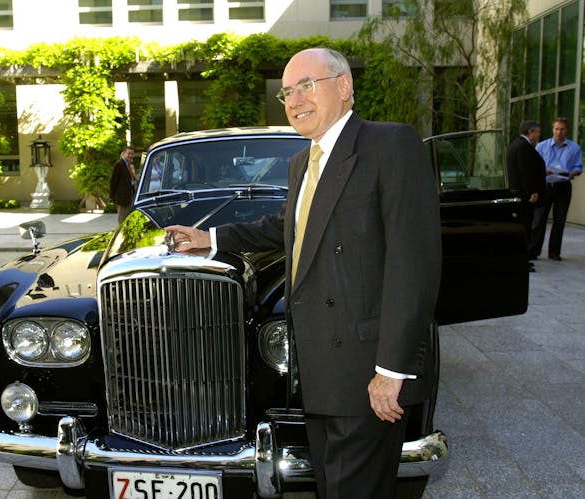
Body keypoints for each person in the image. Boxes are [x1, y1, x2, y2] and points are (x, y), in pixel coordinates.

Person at [165, 48, 441, 498]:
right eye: (287, 92)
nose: (294, 100)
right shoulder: (302, 164)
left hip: (367, 371)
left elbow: (415, 264)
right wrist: (211, 239)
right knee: (332, 487)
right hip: (317, 372)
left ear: (344, 87)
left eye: (306, 86)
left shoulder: (389, 145)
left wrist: (392, 370)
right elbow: (287, 228)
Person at [530, 117, 583, 261]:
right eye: (556, 129)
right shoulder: (541, 146)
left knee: (559, 221)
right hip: (545, 186)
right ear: (553, 130)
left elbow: (578, 167)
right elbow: (534, 166)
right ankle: (533, 251)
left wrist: (573, 173)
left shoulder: (574, 148)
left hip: (564, 186)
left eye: (562, 129)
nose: (559, 132)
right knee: (539, 220)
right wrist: (543, 171)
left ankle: (554, 252)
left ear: (567, 130)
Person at [506, 120, 546, 272]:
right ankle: (522, 259)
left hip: (519, 194)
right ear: (531, 132)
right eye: (537, 132)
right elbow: (525, 171)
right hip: (524, 196)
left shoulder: (515, 144)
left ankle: (522, 258)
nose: (538, 135)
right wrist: (532, 191)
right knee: (525, 228)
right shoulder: (523, 147)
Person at [109, 145, 136, 224]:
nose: (131, 156)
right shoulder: (119, 164)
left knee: (128, 219)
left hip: (129, 196)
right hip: (122, 198)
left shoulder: (129, 165)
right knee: (122, 220)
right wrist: (111, 196)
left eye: (132, 154)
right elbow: (113, 181)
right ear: (124, 153)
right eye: (129, 153)